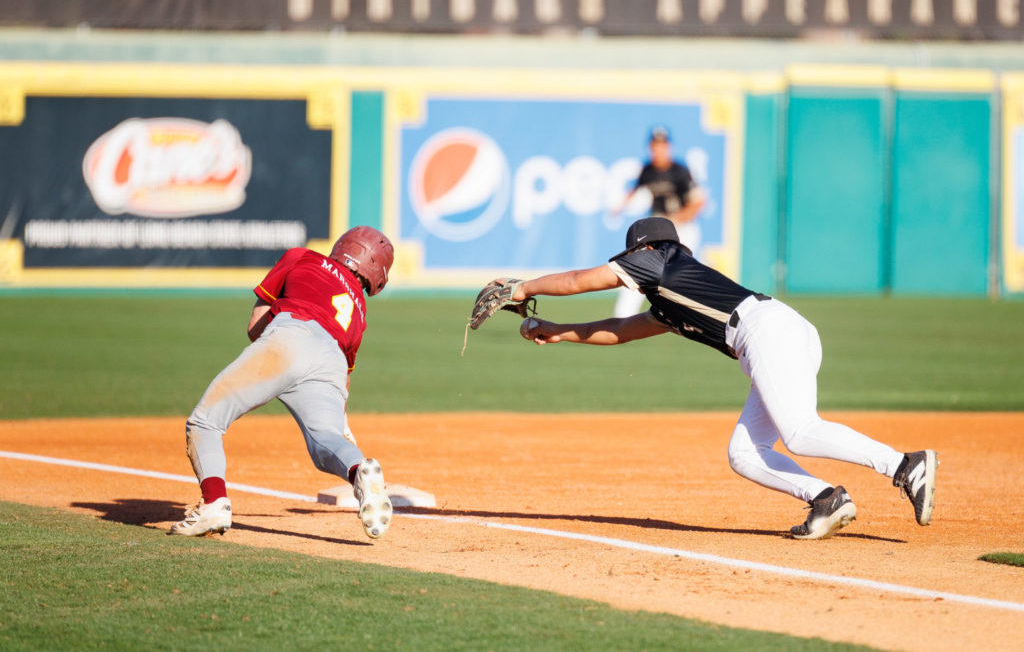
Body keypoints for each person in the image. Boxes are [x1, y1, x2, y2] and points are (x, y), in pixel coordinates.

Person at [498, 217, 937, 540]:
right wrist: (557, 331)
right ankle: (826, 497)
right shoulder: (670, 297)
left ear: (643, 250)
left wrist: (524, 288)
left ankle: (903, 464)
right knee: (745, 453)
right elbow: (622, 331)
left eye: (629, 256)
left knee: (800, 431)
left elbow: (581, 279)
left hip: (765, 332)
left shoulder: (658, 260)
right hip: (777, 332)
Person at [169, 226, 395, 540]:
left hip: (291, 336)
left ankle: (213, 504)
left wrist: (272, 373)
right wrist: (340, 421)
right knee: (325, 441)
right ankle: (358, 470)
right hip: (331, 362)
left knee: (205, 422)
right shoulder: (359, 306)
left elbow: (255, 326)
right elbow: (344, 374)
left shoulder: (302, 256)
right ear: (377, 276)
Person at [613, 125, 707, 318]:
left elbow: (698, 202)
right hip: (659, 231)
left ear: (668, 147)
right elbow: (635, 189)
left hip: (683, 229)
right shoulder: (648, 170)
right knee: (637, 264)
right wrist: (620, 206)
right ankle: (622, 316)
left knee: (679, 273)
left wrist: (678, 218)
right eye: (655, 145)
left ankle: (687, 314)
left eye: (662, 145)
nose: (658, 149)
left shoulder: (680, 171)